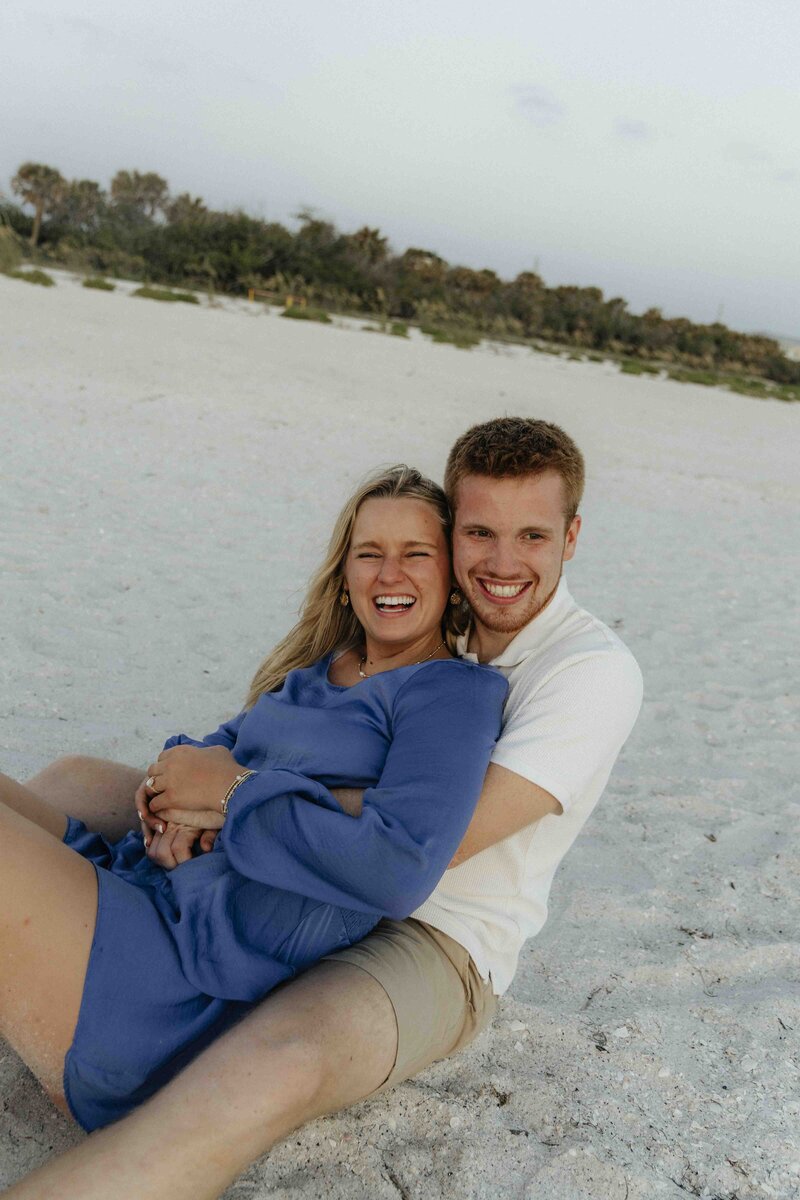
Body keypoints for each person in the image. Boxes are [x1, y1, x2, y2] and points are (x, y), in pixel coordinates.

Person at [4, 417, 643, 1200]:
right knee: (71, 779)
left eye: (533, 537)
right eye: (479, 533)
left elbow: (420, 843)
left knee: (277, 1064)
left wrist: (233, 797)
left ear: (571, 537)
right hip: (267, 874)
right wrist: (187, 791)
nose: (502, 563)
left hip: (437, 936)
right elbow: (246, 751)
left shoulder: (578, 673)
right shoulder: (392, 646)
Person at [0, 467, 507, 1135]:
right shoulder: (317, 672)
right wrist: (168, 809)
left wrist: (234, 798)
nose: (391, 574)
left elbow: (400, 867)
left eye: (416, 554)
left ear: (450, 575)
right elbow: (197, 757)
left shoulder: (449, 694)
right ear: (345, 573)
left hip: (173, 980)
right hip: (139, 883)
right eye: (369, 554)